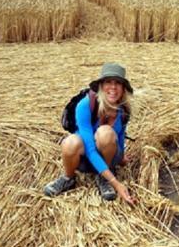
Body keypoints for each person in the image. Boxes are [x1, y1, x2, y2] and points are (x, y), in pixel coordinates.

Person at [43, 63, 136, 204]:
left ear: (123, 89)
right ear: (101, 86)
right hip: (85, 158)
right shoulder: (85, 105)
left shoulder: (123, 110)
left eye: (118, 83)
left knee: (105, 133)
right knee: (70, 142)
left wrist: (121, 157)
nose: (113, 87)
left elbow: (121, 137)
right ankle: (68, 178)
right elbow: (90, 149)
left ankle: (103, 177)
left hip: (109, 158)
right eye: (108, 82)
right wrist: (116, 184)